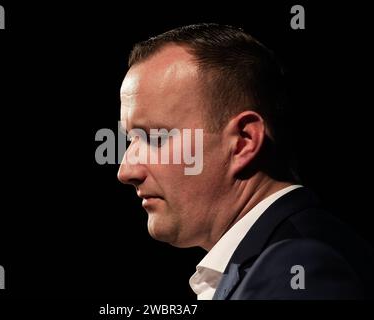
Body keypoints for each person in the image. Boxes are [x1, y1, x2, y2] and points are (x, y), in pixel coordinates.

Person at [117, 23, 374, 299]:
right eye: (130, 139)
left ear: (243, 141)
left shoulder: (300, 266)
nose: (126, 170)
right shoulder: (274, 260)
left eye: (155, 138)